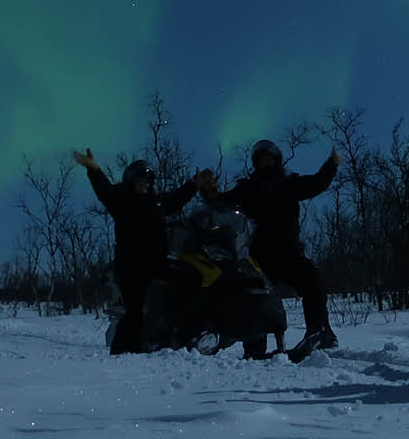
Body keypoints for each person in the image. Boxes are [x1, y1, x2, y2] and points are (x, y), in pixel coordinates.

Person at [200, 140, 341, 353]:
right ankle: (254, 348)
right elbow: (222, 203)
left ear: (277, 160)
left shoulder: (289, 184)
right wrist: (210, 192)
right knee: (254, 299)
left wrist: (331, 164)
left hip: (288, 253)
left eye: (269, 159)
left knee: (312, 281)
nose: (266, 163)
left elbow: (317, 183)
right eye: (261, 160)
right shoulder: (248, 189)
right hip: (259, 257)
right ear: (256, 164)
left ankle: (319, 331)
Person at [73, 150, 202, 354]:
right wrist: (94, 169)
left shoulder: (157, 203)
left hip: (158, 264)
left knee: (179, 294)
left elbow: (176, 198)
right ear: (131, 180)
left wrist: (193, 185)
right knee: (136, 310)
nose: (145, 184)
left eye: (148, 180)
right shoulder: (121, 201)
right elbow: (104, 190)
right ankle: (123, 351)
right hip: (131, 267)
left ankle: (174, 339)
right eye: (141, 180)